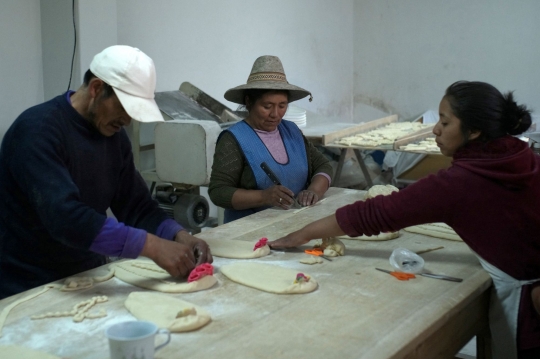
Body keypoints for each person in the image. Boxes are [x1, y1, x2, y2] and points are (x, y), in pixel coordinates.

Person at [269, 81, 540, 359]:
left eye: (444, 123)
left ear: (474, 131)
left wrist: (301, 234)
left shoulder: (461, 183)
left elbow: (375, 213)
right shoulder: (523, 157)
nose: (435, 129)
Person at [0, 45, 212, 299]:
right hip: (28, 283)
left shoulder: (113, 137)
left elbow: (136, 206)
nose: (127, 120)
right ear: (97, 89)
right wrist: (152, 246)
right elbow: (65, 219)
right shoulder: (37, 131)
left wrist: (179, 235)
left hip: (87, 275)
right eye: (124, 108)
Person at [208, 55, 333, 223]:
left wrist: (314, 191)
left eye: (282, 106)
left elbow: (323, 165)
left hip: (293, 223)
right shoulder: (234, 139)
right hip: (248, 230)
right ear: (248, 102)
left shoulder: (291, 130)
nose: (275, 114)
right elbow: (219, 192)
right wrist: (263, 196)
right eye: (267, 106)